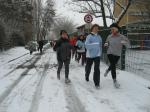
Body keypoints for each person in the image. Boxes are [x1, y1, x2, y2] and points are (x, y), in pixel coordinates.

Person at [104, 23, 130, 88]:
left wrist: (124, 42)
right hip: (110, 52)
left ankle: (107, 70)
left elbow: (128, 45)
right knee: (113, 65)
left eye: (113, 29)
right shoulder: (109, 36)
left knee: (113, 65)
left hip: (117, 53)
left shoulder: (122, 37)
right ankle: (114, 80)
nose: (112, 30)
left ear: (117, 29)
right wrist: (106, 45)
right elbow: (106, 43)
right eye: (111, 29)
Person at [85, 24, 102, 89]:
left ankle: (97, 83)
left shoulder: (99, 37)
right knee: (88, 67)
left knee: (97, 69)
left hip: (97, 55)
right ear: (92, 29)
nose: (96, 29)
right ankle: (87, 75)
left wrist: (100, 52)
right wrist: (95, 45)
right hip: (90, 55)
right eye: (95, 28)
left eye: (97, 28)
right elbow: (87, 45)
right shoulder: (89, 36)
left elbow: (100, 46)